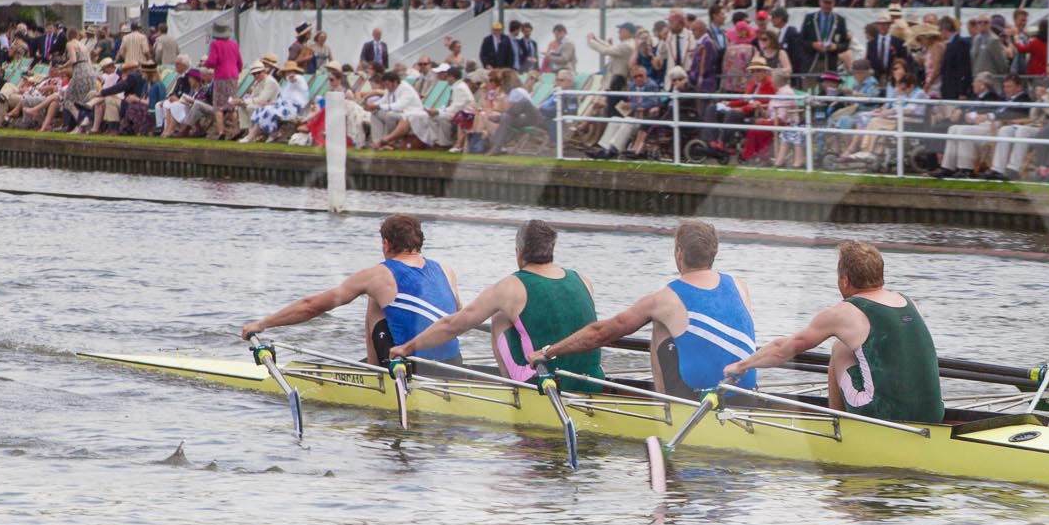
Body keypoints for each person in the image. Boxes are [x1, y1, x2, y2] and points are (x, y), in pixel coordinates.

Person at [527, 220, 757, 397]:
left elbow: (600, 333)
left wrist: (548, 351)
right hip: (747, 395)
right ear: (714, 253)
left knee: (660, 324)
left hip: (698, 401)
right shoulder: (739, 285)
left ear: (679, 253)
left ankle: (663, 409)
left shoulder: (664, 299)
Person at [724, 240, 944, 425]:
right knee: (859, 351)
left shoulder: (844, 313)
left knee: (840, 349)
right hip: (934, 414)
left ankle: (836, 424)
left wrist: (742, 365)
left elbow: (784, 350)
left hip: (882, 414)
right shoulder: (909, 302)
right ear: (881, 276)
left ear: (845, 280)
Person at [239, 214, 465, 367]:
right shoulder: (446, 270)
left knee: (375, 301)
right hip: (454, 364)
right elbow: (457, 313)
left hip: (409, 367)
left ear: (386, 244)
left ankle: (374, 374)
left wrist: (263, 324)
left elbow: (311, 306)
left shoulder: (378, 275)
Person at [392, 220, 601, 384]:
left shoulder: (510, 287)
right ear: (552, 249)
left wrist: (407, 348)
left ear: (518, 252)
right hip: (593, 382)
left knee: (500, 315)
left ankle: (511, 389)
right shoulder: (583, 280)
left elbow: (452, 326)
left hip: (546, 384)